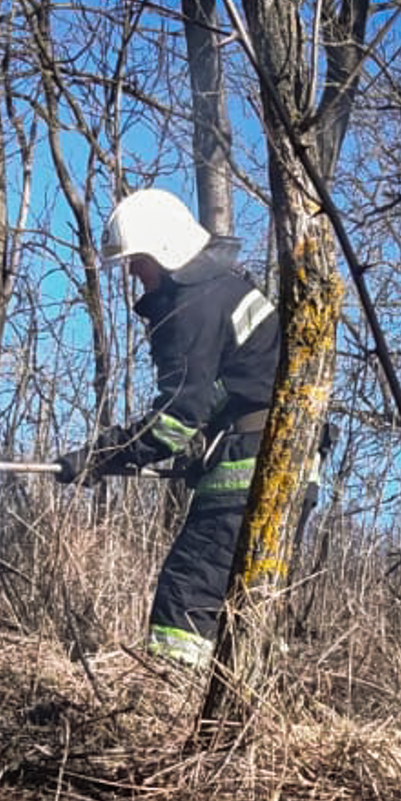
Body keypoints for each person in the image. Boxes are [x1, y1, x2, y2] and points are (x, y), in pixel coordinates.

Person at [56, 188, 281, 670]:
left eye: (138, 260)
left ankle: (167, 700)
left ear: (165, 251)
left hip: (250, 463)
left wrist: (102, 455)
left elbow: (178, 418)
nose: (134, 273)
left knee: (188, 591)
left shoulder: (195, 305)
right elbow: (232, 386)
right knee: (243, 604)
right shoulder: (226, 287)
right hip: (277, 461)